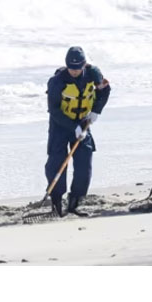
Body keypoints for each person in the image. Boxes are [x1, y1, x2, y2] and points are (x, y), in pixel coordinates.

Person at [45, 46, 111, 217]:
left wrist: (96, 110)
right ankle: (56, 202)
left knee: (84, 161)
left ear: (84, 65)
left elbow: (105, 90)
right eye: (71, 68)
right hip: (60, 124)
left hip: (83, 122)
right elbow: (54, 110)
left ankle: (75, 202)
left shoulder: (93, 75)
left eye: (77, 68)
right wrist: (72, 127)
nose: (74, 71)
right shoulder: (57, 82)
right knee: (57, 162)